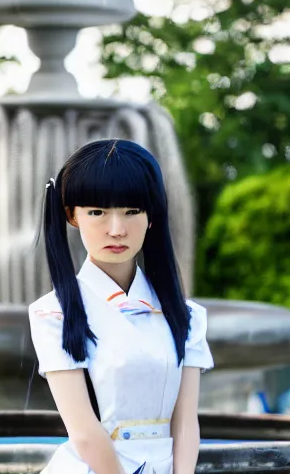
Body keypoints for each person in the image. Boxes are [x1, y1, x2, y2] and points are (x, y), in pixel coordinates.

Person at [28, 139, 214, 474]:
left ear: (151, 215)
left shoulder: (186, 317)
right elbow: (84, 432)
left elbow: (185, 423)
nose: (117, 229)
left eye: (132, 211)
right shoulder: (53, 314)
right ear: (72, 215)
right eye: (97, 212)